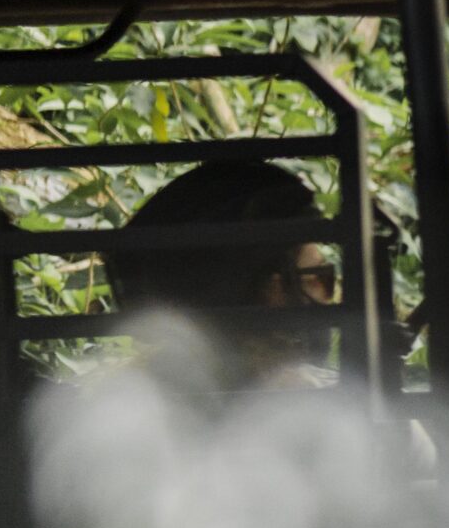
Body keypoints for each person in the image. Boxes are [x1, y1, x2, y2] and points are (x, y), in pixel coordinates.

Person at [109, 161, 341, 385]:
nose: (330, 296)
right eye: (322, 277)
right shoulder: (297, 401)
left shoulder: (138, 392)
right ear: (268, 287)